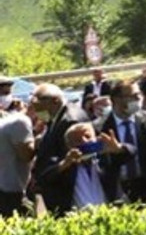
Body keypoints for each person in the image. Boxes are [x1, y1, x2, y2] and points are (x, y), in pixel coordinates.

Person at [30, 84, 91, 215]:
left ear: (55, 101)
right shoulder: (56, 117)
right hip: (57, 188)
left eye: (40, 109)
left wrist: (48, 172)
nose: (39, 114)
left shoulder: (70, 120)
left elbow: (74, 158)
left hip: (70, 193)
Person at [98, 80, 146, 203]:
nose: (138, 99)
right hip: (119, 189)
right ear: (116, 99)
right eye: (133, 96)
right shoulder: (100, 127)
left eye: (139, 95)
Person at [60, 122, 117, 211]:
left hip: (108, 214)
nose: (84, 141)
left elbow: (131, 152)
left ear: (96, 138)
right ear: (69, 146)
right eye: (78, 140)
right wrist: (65, 164)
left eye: (88, 137)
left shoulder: (105, 160)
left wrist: (118, 149)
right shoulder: (67, 169)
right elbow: (45, 177)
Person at [0, 76, 35, 216]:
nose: (5, 97)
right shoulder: (17, 122)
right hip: (12, 193)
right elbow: (26, 155)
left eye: (7, 93)